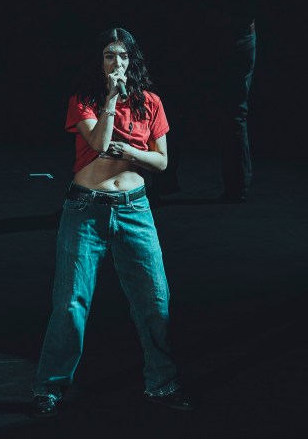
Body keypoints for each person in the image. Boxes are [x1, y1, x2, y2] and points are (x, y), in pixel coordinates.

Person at [30, 27, 195, 418]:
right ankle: (48, 387)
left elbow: (162, 161)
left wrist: (133, 154)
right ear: (99, 62)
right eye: (108, 55)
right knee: (71, 303)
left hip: (135, 209)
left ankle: (162, 383)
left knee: (155, 300)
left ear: (131, 60)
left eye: (122, 56)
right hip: (86, 208)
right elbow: (100, 144)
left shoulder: (151, 102)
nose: (116, 63)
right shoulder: (84, 100)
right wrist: (111, 99)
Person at [162, 0, 308, 203]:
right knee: (235, 114)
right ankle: (237, 187)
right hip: (241, 36)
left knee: (178, 107)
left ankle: (166, 180)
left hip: (203, 34)